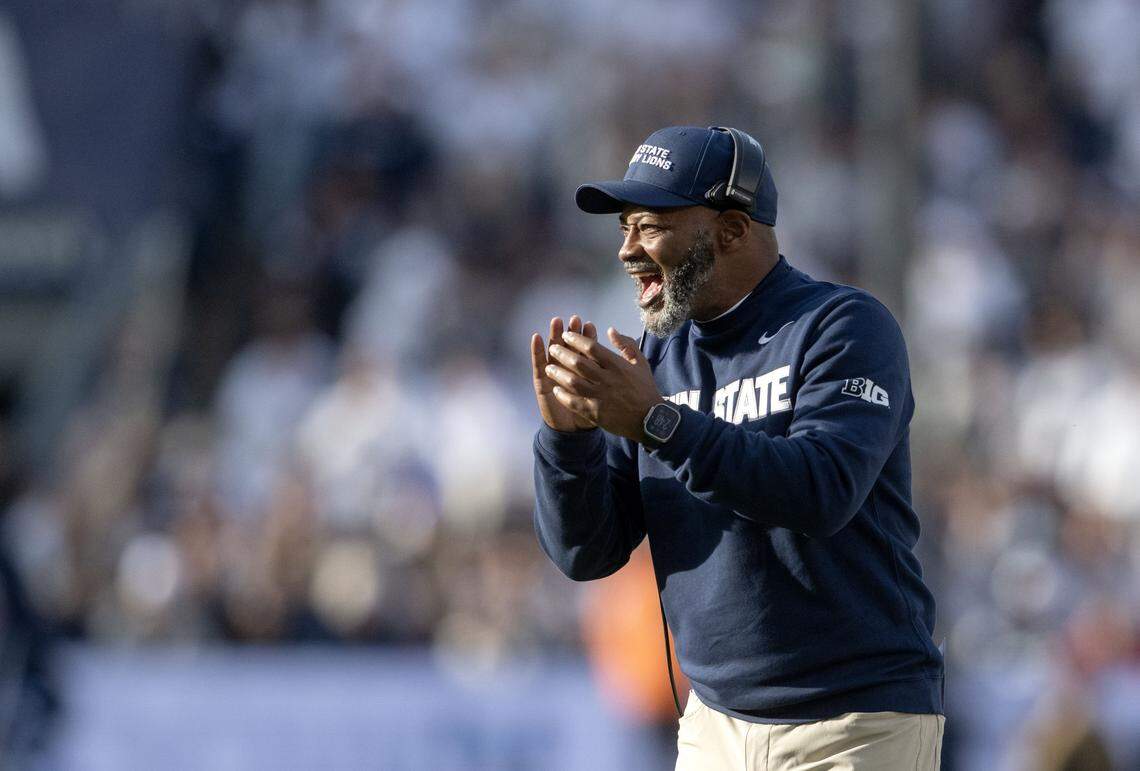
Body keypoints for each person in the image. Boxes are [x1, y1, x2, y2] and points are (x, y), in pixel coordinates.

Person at [529, 126, 945, 770]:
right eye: (625, 228)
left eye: (650, 226)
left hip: (854, 718)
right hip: (713, 724)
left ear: (730, 230)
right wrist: (568, 441)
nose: (628, 250)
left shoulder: (844, 326)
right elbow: (587, 552)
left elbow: (822, 490)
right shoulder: (657, 357)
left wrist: (658, 421)